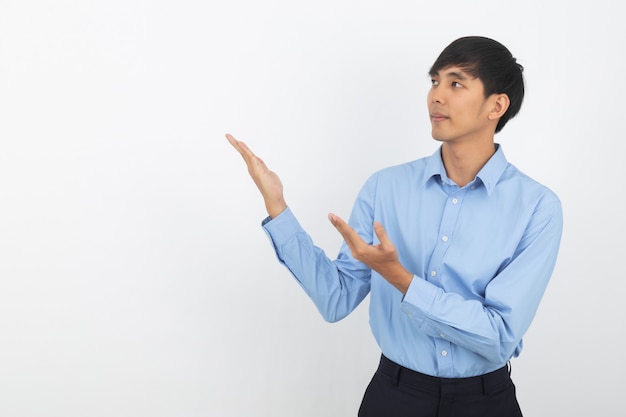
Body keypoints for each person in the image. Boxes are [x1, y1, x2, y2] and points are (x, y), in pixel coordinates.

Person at [226, 36, 562, 417]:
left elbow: (498, 335)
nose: (436, 96)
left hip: (484, 401)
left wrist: (400, 278)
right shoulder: (385, 187)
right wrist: (278, 207)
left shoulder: (537, 207)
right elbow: (336, 298)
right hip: (396, 396)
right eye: (434, 81)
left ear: (496, 105)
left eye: (456, 83)